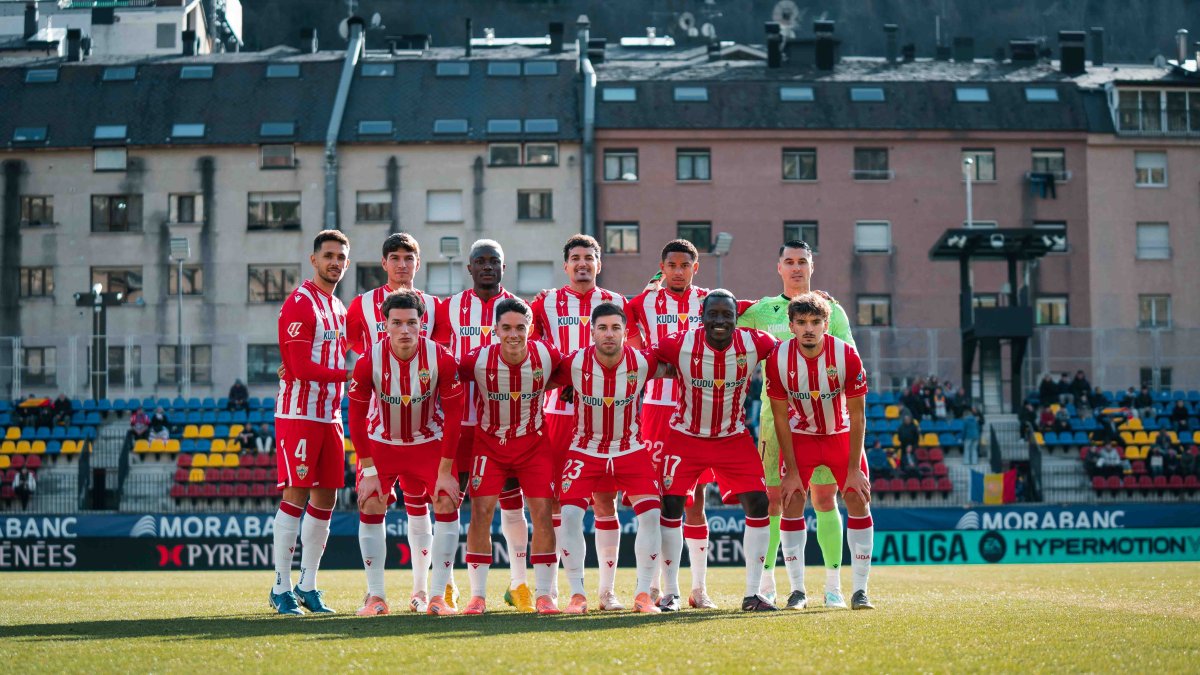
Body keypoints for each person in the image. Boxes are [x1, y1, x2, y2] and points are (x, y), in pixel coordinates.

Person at [736, 239, 857, 607]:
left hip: (824, 421)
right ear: (779, 268)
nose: (796, 268)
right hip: (776, 423)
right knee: (775, 500)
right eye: (789, 261)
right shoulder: (761, 311)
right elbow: (720, 321)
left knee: (823, 498)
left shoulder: (832, 312)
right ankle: (771, 584)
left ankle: (833, 586)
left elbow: (851, 361)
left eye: (802, 261)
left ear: (811, 267)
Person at [652, 289, 779, 612]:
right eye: (714, 314)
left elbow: (789, 352)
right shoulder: (679, 342)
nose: (720, 321)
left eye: (727, 315)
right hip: (685, 437)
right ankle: (670, 593)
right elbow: (640, 360)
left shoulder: (756, 343)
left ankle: (754, 594)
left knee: (759, 502)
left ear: (737, 319)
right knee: (671, 506)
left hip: (732, 438)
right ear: (702, 317)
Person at [347, 289, 465, 616]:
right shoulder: (368, 360)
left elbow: (454, 416)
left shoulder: (441, 357)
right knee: (370, 501)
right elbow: (355, 418)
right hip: (381, 443)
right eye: (397, 323)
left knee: (445, 498)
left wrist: (444, 472)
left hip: (428, 442)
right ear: (385, 325)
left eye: (411, 323)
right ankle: (376, 596)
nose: (404, 330)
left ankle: (437, 596)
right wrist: (369, 473)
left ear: (421, 324)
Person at [345, 233, 442, 612]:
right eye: (395, 257)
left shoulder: (436, 306)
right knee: (371, 503)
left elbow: (446, 355)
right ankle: (377, 594)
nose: (402, 264)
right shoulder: (361, 306)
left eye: (409, 258)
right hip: (378, 427)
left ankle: (423, 591)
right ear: (383, 263)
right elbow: (353, 349)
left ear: (418, 263)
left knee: (423, 507)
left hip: (425, 427)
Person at [531, 234, 628, 611]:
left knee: (605, 500)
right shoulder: (545, 303)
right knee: (557, 501)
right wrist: (564, 375)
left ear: (599, 264)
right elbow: (532, 349)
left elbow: (628, 350)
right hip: (558, 414)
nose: (583, 263)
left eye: (589, 257)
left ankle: (607, 590)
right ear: (566, 265)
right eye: (576, 258)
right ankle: (562, 588)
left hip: (605, 413)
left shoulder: (619, 303)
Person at [551, 302, 668, 614]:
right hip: (584, 450)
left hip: (630, 448)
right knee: (571, 516)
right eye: (602, 328)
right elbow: (540, 380)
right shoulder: (574, 362)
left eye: (616, 328)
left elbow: (678, 367)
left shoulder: (642, 362)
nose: (609, 334)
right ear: (591, 332)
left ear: (625, 332)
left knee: (652, 515)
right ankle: (577, 594)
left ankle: (643, 594)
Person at [766, 292, 875, 610]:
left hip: (840, 435)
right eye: (801, 323)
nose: (809, 329)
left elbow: (858, 415)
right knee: (792, 498)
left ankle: (859, 591)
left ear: (827, 324)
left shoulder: (847, 356)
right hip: (801, 437)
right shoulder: (778, 358)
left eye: (815, 322)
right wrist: (793, 470)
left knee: (856, 496)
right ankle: (797, 591)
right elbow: (780, 417)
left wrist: (854, 469)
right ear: (791, 326)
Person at [458, 298, 563, 615]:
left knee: (543, 513)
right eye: (506, 328)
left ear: (530, 329)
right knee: (481, 514)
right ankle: (477, 596)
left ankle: (544, 594)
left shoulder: (546, 354)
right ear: (495, 329)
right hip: (489, 445)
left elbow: (575, 370)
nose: (513, 334)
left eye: (520, 327)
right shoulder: (477, 360)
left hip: (534, 444)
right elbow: (443, 375)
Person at [430, 239, 517, 610]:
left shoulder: (518, 309)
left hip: (504, 424)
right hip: (458, 421)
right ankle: (446, 584)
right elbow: (430, 355)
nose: (486, 267)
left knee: (512, 503)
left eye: (493, 261)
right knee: (450, 499)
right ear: (469, 269)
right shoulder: (448, 308)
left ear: (503, 267)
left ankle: (519, 584)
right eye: (479, 261)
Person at [269, 229, 353, 616]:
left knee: (327, 499)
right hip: (298, 415)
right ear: (313, 259)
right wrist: (348, 375)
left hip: (329, 416)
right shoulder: (300, 303)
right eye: (329, 255)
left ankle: (308, 585)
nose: (335, 262)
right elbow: (300, 367)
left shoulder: (337, 307)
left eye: (341, 257)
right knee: (297, 494)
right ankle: (280, 588)